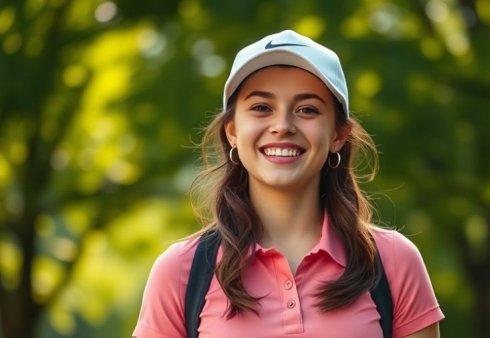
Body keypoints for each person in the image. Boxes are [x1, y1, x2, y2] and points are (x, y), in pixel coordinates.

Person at [133, 29, 444, 338]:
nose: (282, 126)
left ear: (338, 135)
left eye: (307, 109)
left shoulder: (394, 262)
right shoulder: (180, 271)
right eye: (261, 108)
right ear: (232, 132)